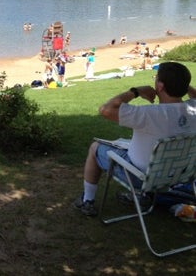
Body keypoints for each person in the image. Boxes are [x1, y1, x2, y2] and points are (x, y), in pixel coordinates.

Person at [74, 62, 196, 216]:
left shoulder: (148, 114)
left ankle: (87, 200)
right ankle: (143, 197)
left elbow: (106, 109)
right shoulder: (193, 109)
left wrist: (136, 91)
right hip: (179, 176)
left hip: (142, 177)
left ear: (160, 86)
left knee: (95, 147)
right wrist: (183, 85)